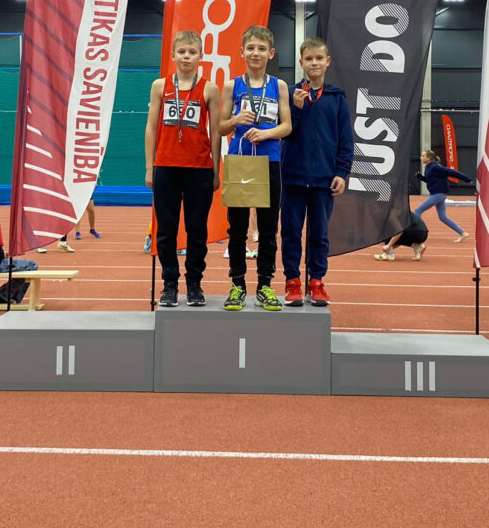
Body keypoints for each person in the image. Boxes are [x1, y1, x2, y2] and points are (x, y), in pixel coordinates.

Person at [144, 30, 221, 308]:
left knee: (196, 230)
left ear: (201, 56)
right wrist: (150, 167)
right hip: (166, 166)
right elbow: (151, 127)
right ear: (173, 55)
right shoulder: (159, 86)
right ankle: (169, 284)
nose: (186, 56)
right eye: (182, 52)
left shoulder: (210, 89)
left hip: (199, 168)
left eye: (192, 52)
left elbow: (216, 132)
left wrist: (216, 169)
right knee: (166, 230)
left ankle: (194, 283)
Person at [219, 25, 291, 313]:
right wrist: (236, 119)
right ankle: (237, 285)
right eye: (251, 48)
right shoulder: (232, 85)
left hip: (269, 162)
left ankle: (264, 286)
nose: (256, 53)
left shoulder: (279, 86)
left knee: (268, 228)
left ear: (271, 53)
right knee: (237, 229)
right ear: (242, 52)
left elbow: (287, 126)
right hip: (239, 161)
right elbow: (220, 126)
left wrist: (266, 133)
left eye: (261, 48)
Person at [279, 36, 352, 307]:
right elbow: (283, 133)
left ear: (327, 61)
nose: (314, 63)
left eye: (319, 58)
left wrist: (342, 172)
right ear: (301, 62)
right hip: (293, 176)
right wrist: (296, 110)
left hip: (324, 179)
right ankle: (292, 282)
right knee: (290, 232)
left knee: (319, 234)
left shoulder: (337, 98)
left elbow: (346, 140)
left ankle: (317, 281)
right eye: (309, 59)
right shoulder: (289, 94)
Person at [416, 150, 474, 241]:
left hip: (438, 194)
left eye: (423, 156)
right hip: (438, 194)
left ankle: (418, 234)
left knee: (418, 210)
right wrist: (420, 177)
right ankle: (463, 233)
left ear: (429, 158)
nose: (421, 158)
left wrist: (467, 179)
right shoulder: (428, 167)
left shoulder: (435, 167)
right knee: (443, 217)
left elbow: (453, 172)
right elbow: (430, 180)